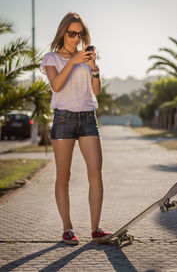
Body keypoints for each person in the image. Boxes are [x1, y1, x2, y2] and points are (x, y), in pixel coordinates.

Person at [40, 12, 110, 245]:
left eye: (80, 34)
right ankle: (67, 229)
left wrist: (94, 67)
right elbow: (57, 86)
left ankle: (96, 229)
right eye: (72, 33)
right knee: (63, 176)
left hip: (88, 117)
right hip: (63, 119)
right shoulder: (52, 58)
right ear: (63, 33)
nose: (76, 38)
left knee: (96, 174)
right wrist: (73, 61)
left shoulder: (85, 57)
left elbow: (96, 91)